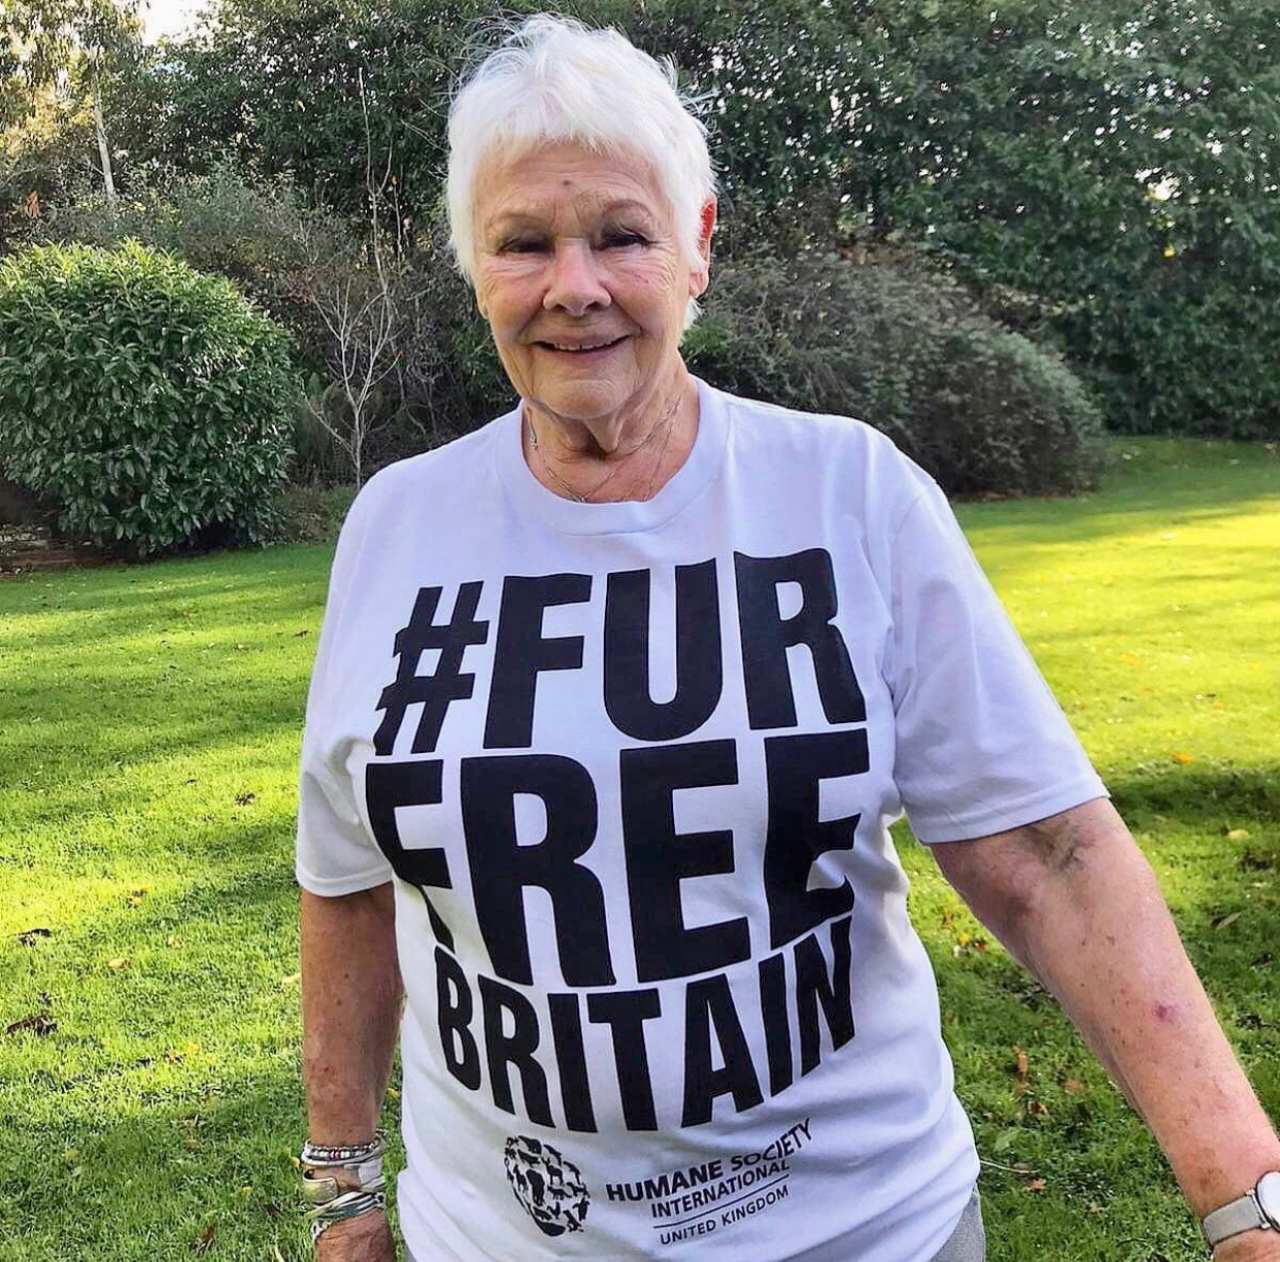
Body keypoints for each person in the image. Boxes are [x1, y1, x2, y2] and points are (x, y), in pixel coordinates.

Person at [294, 14, 1280, 1262]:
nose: (573, 284)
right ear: (474, 268)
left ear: (697, 246)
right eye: (523, 242)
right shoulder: (397, 526)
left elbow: (1049, 856)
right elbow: (349, 878)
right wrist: (342, 1184)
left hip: (863, 1232)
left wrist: (1243, 1199)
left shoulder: (848, 493)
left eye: (621, 234)